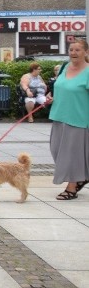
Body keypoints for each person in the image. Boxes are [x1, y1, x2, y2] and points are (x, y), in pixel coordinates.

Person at [48, 39, 89, 201]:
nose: (73, 53)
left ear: (86, 52)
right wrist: (51, 96)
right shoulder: (64, 67)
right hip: (58, 115)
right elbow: (59, 88)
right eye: (71, 49)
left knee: (72, 154)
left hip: (78, 118)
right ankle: (82, 177)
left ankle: (71, 187)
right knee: (56, 149)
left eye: (78, 50)